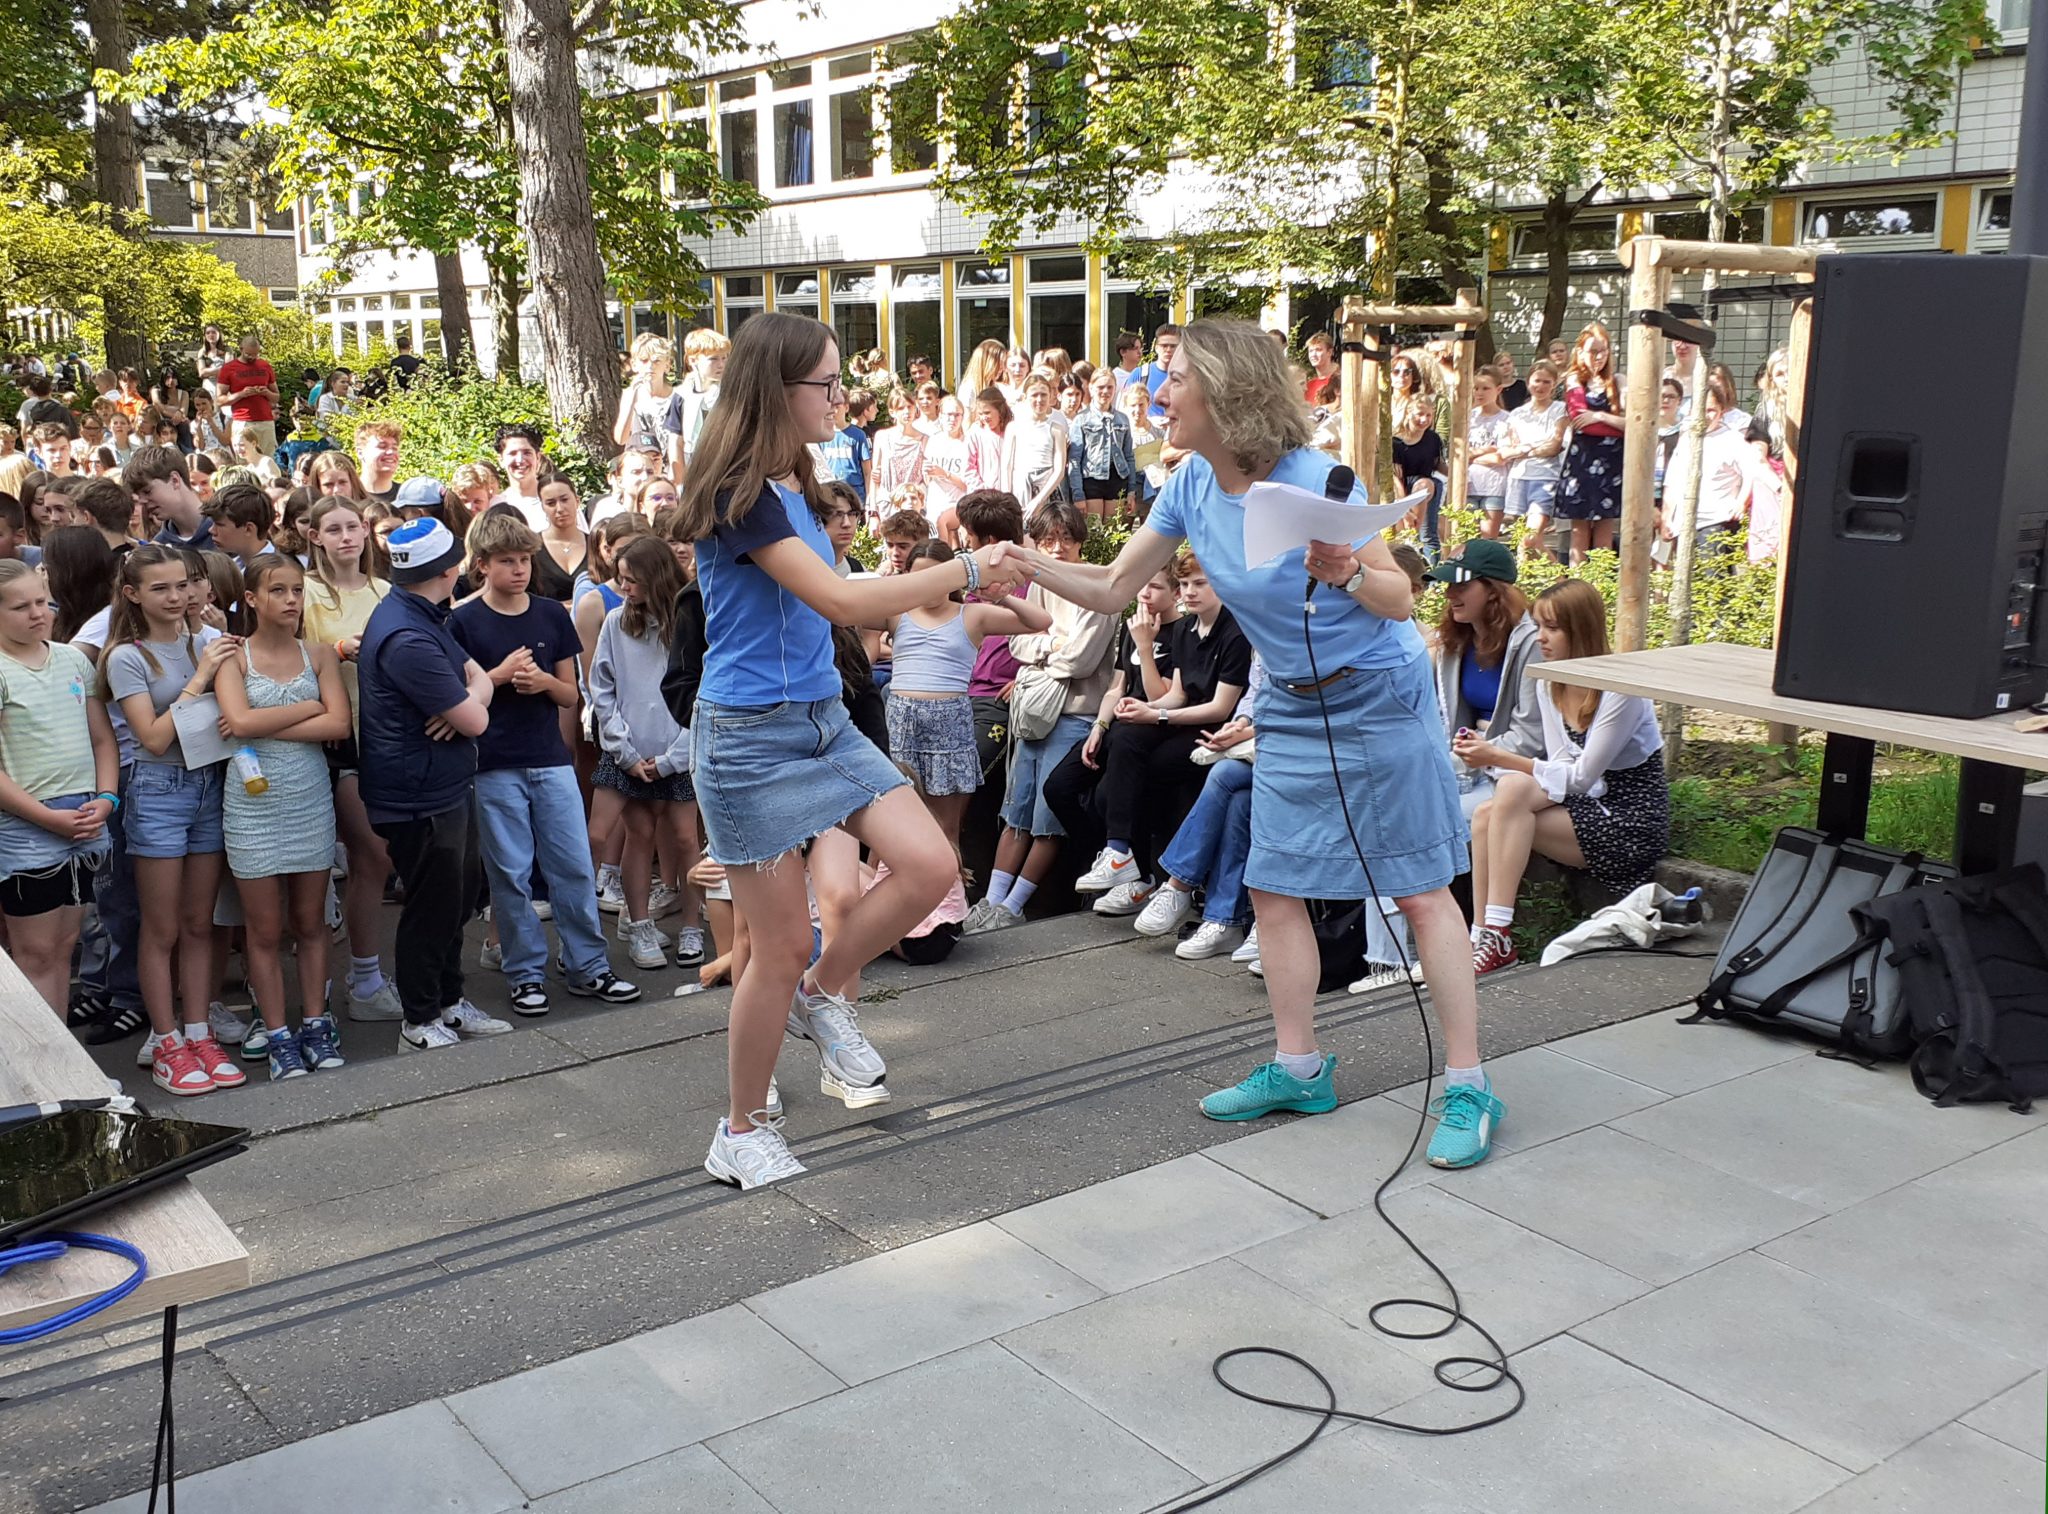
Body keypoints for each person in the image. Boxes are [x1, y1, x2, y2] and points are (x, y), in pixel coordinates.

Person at [1010, 317, 1502, 1168]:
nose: (1157, 395)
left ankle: (1468, 1084)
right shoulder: (1191, 485)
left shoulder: (1318, 479)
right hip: (1293, 710)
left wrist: (1347, 569)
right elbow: (1117, 582)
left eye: (1173, 381)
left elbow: (1399, 601)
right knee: (1274, 889)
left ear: (1225, 392)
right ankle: (1299, 1066)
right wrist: (1021, 561)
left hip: (1376, 702)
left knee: (1422, 893)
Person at [677, 309, 1026, 1187]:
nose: (842, 396)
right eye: (826, 383)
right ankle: (742, 1128)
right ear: (778, 388)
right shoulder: (739, 494)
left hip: (822, 721)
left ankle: (826, 994)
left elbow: (846, 591)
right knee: (779, 943)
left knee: (930, 866)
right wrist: (973, 571)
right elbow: (844, 602)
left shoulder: (788, 481)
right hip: (750, 741)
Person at [452, 512, 639, 1014]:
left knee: (573, 866)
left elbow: (567, 693)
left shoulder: (550, 614)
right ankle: (524, 971)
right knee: (510, 873)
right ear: (482, 566)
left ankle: (588, 965)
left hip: (548, 759)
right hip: (492, 762)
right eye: (507, 562)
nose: (519, 570)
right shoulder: (464, 620)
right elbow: (459, 695)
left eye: (525, 561)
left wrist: (541, 684)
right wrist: (499, 675)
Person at [1459, 578, 1669, 975]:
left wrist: (1499, 756)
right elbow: (1558, 763)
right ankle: (1484, 934)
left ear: (1582, 629)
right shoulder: (1549, 680)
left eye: (1553, 628)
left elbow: (1582, 777)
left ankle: (1496, 934)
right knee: (1491, 810)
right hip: (1585, 806)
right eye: (1539, 626)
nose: (1542, 638)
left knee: (1512, 788)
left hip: (1628, 819)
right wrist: (1493, 759)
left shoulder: (1619, 688)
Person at [355, 517, 511, 1050]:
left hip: (442, 784)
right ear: (450, 570)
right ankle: (419, 1021)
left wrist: (472, 695)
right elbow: (478, 719)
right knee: (431, 907)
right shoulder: (406, 636)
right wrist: (469, 703)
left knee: (458, 899)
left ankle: (448, 1002)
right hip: (416, 795)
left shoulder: (421, 614)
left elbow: (480, 680)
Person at [98, 545, 243, 1095]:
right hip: (157, 789)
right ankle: (166, 1040)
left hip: (210, 784)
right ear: (133, 594)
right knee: (159, 929)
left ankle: (199, 1031)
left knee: (199, 924)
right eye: (161, 588)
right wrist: (201, 676)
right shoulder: (126, 657)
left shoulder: (205, 638)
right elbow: (152, 739)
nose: (177, 596)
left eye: (183, 585)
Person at [211, 555, 353, 1077]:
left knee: (311, 922)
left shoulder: (319, 655)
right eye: (278, 591)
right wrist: (307, 711)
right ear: (252, 599)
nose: (291, 600)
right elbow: (238, 719)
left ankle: (316, 1024)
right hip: (252, 804)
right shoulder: (233, 657)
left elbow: (338, 723)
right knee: (263, 929)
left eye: (297, 590)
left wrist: (259, 725)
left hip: (309, 798)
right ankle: (276, 1034)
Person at [1061, 550, 1251, 917]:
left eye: (1200, 583)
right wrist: (1149, 712)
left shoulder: (1235, 632)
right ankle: (1120, 851)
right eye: (1185, 584)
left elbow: (1219, 708)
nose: (1190, 592)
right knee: (1126, 737)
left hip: (1214, 728)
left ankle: (1149, 875)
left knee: (1146, 768)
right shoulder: (1185, 629)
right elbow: (1177, 692)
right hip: (1182, 718)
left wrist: (1156, 713)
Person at [965, 498, 1117, 933]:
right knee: (1016, 810)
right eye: (1048, 539)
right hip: (1034, 711)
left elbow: (1081, 663)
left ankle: (1014, 905)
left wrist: (1044, 649)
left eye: (1065, 539)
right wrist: (1052, 644)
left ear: (1079, 542)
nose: (1055, 548)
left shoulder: (1096, 587)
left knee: (1047, 818)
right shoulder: (1039, 586)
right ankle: (992, 903)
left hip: (1074, 714)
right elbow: (1019, 645)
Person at [298, 494, 405, 1022]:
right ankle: (347, 979)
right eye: (333, 529)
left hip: (384, 735)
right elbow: (287, 656)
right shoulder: (306, 593)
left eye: (353, 527)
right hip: (328, 742)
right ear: (314, 536)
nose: (346, 537)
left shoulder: (386, 591)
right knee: (364, 853)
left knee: (376, 859)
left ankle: (366, 977)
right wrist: (336, 653)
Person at [881, 537, 1049, 862]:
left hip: (949, 720)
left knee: (945, 826)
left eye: (937, 577)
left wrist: (1002, 598)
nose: (928, 587)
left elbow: (1040, 622)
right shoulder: (896, 613)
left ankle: (949, 902)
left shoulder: (971, 614)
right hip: (902, 719)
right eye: (919, 578)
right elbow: (845, 611)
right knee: (893, 820)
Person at [0, 560, 118, 1018]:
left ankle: (66, 1070)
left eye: (42, 602)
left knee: (65, 947)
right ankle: (39, 1075)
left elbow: (102, 739)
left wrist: (107, 798)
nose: (37, 614)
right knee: (35, 955)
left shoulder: (71, 659)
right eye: (20, 607)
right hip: (27, 825)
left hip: (86, 819)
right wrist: (46, 817)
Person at [587, 534, 699, 971]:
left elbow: (702, 694)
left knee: (687, 839)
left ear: (655, 578)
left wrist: (674, 757)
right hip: (629, 753)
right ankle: (640, 925)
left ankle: (692, 925)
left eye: (631, 580)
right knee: (638, 834)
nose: (624, 589)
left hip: (679, 753)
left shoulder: (691, 621)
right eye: (620, 580)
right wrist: (625, 750)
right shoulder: (617, 622)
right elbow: (602, 688)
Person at [1426, 539, 1545, 820]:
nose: (1449, 594)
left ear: (1493, 592)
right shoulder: (1453, 642)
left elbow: (1532, 739)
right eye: (1447, 584)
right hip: (1467, 766)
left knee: (1436, 820)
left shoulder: (1532, 644)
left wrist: (1465, 756)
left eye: (1461, 585)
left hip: (1514, 774)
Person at [1556, 322, 1626, 562]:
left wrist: (1599, 415)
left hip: (1612, 462)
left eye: (1603, 351)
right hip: (1583, 462)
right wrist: (1615, 424)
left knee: (1605, 528)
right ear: (1580, 352)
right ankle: (1578, 585)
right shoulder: (1575, 379)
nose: (1598, 357)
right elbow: (1579, 419)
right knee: (1580, 529)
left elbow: (1633, 424)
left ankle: (1601, 587)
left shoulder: (1619, 381)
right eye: (1592, 351)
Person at [1501, 360, 1568, 562]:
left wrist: (1524, 449)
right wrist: (1532, 447)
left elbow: (1554, 446)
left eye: (1547, 382)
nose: (1541, 386)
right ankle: (1525, 585)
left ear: (1554, 384)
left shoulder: (1560, 409)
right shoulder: (1516, 414)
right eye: (1537, 381)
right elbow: (1506, 451)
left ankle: (1562, 580)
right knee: (1523, 540)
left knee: (1531, 537)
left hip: (1546, 478)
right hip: (1518, 478)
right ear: (1529, 382)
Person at [664, 327, 730, 480]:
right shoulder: (682, 395)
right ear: (693, 360)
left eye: (725, 358)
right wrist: (679, 481)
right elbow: (676, 441)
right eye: (713, 359)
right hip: (693, 468)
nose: (721, 364)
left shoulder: (731, 393)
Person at [1073, 367, 1135, 520]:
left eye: (1110, 387)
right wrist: (1078, 494)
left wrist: (1131, 490)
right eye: (1101, 387)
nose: (1105, 391)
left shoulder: (1123, 419)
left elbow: (1129, 456)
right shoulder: (1081, 419)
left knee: (1113, 531)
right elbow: (1074, 459)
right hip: (1091, 479)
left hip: (1117, 477)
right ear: (1091, 388)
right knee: (1093, 531)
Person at [1003, 373, 1068, 514]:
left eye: (1044, 394)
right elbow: (1007, 467)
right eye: (1034, 395)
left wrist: (1039, 500)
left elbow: (1059, 470)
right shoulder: (1014, 427)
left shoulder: (1057, 429)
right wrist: (1007, 499)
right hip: (1020, 490)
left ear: (1050, 396)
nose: (1039, 399)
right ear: (1026, 397)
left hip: (1047, 491)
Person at [1392, 394, 1444, 562]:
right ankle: (1411, 533)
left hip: (1425, 487)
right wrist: (1403, 506)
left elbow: (1438, 464)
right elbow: (1395, 477)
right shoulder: (1396, 442)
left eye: (1428, 415)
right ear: (1408, 413)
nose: (1424, 419)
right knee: (1399, 537)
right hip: (1403, 488)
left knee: (1428, 534)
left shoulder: (1433, 438)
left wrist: (1462, 476)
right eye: (1419, 414)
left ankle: (1415, 530)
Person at [216, 332, 280, 462]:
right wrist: (241, 394)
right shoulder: (229, 368)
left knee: (268, 461)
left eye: (255, 355)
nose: (252, 358)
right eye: (248, 354)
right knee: (245, 461)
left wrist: (266, 392)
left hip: (265, 420)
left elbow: (276, 397)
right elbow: (219, 400)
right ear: (241, 349)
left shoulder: (265, 366)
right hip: (243, 421)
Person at [1466, 369, 1514, 538]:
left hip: (1494, 487)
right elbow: (1459, 453)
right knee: (1467, 539)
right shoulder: (1468, 418)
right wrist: (1485, 450)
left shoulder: (1507, 419)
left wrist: (1472, 457)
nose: (1479, 393)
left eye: (1485, 388)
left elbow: (1500, 457)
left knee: (1488, 540)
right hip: (1468, 486)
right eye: (1476, 388)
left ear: (1498, 389)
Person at [614, 333, 675, 454]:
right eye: (644, 360)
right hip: (641, 466)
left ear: (667, 365)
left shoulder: (677, 397)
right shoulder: (629, 395)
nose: (650, 366)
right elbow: (620, 439)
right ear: (634, 365)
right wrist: (632, 401)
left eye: (657, 361)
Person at [493, 424, 548, 527]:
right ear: (501, 460)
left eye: (527, 453)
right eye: (512, 453)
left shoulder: (559, 500)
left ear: (538, 457)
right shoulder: (495, 506)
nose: (520, 460)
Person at [965, 387, 1010, 494]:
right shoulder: (975, 432)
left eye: (987, 413)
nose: (984, 417)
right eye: (980, 414)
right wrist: (982, 490)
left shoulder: (1011, 430)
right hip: (982, 495)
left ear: (1000, 410)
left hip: (1007, 495)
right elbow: (968, 468)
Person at [1131, 325, 1179, 422]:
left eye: (1173, 346)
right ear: (1156, 348)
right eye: (1164, 346)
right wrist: (1150, 421)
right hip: (1148, 432)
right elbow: (1124, 408)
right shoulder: (1141, 374)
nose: (1168, 350)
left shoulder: (1188, 376)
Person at [354, 419, 402, 504]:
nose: (391, 452)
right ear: (360, 452)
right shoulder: (349, 496)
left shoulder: (406, 497)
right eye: (382, 446)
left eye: (394, 448)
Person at [1302, 332, 1339, 406]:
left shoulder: (1341, 379)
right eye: (1311, 351)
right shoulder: (1308, 385)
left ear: (1330, 352)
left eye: (1318, 350)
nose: (1313, 355)